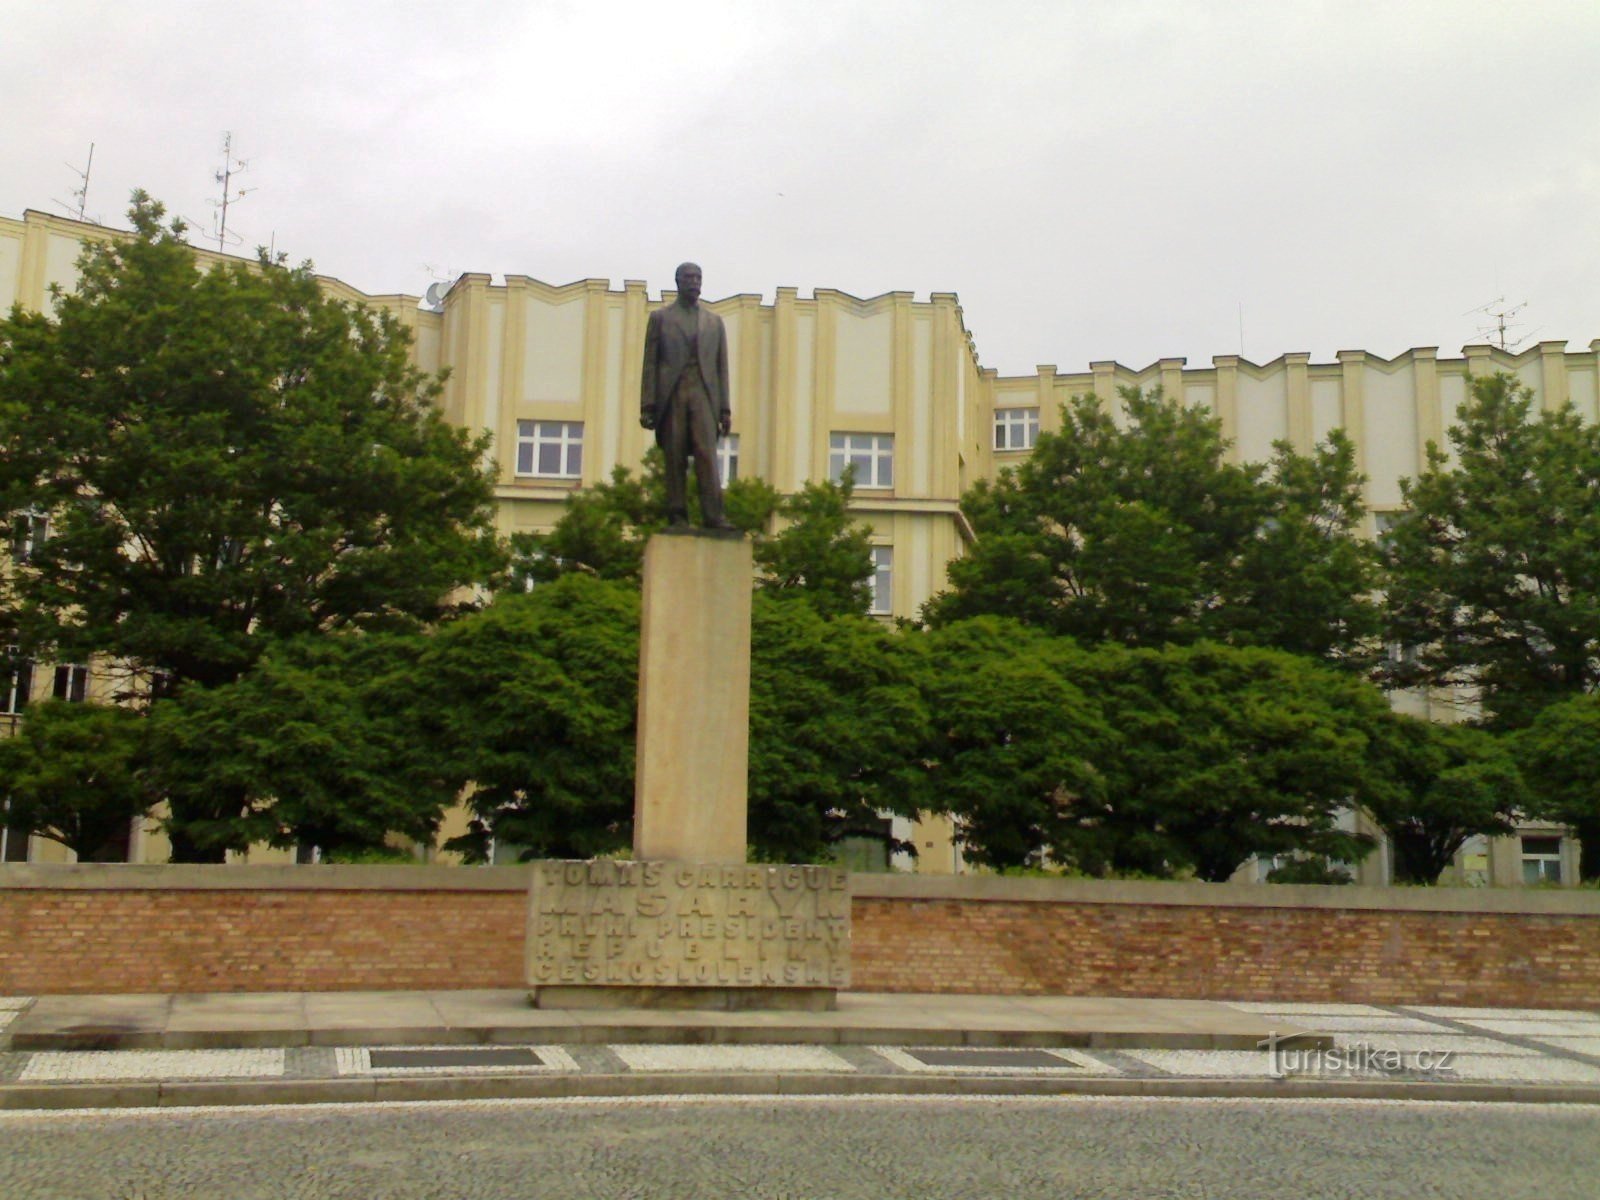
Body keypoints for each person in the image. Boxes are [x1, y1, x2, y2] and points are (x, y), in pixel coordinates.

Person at [639, 262, 733, 528]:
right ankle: (677, 514)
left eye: (698, 278)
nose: (695, 282)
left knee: (706, 454)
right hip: (673, 396)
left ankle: (714, 515)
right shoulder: (660, 318)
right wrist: (648, 405)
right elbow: (650, 364)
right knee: (675, 456)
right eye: (689, 278)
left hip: (704, 396)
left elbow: (721, 368)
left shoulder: (714, 322)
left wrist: (725, 408)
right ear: (678, 282)